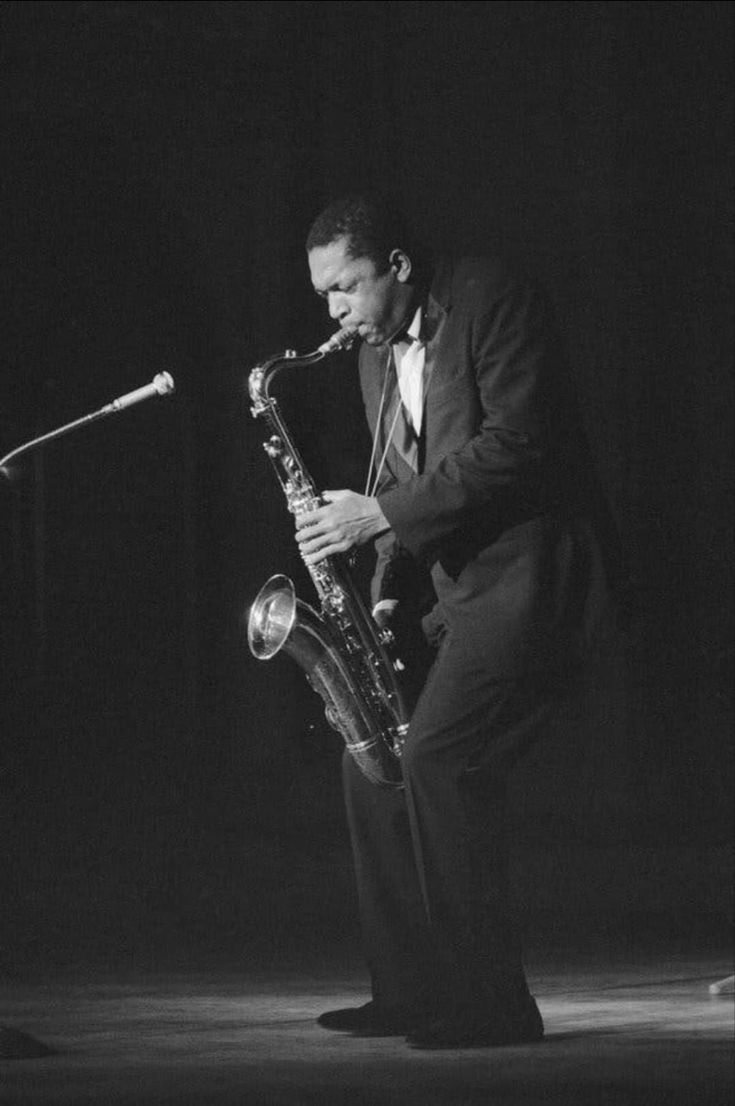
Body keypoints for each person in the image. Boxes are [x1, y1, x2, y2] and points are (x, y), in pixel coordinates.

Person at [295, 192, 618, 1049]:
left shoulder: (491, 297)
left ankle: (492, 1004)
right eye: (324, 294)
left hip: (530, 581)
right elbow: (404, 475)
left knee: (440, 759)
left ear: (397, 266)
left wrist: (378, 521)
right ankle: (407, 991)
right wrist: (389, 585)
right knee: (370, 762)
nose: (334, 312)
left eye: (346, 288)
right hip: (452, 594)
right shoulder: (372, 356)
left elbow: (520, 443)